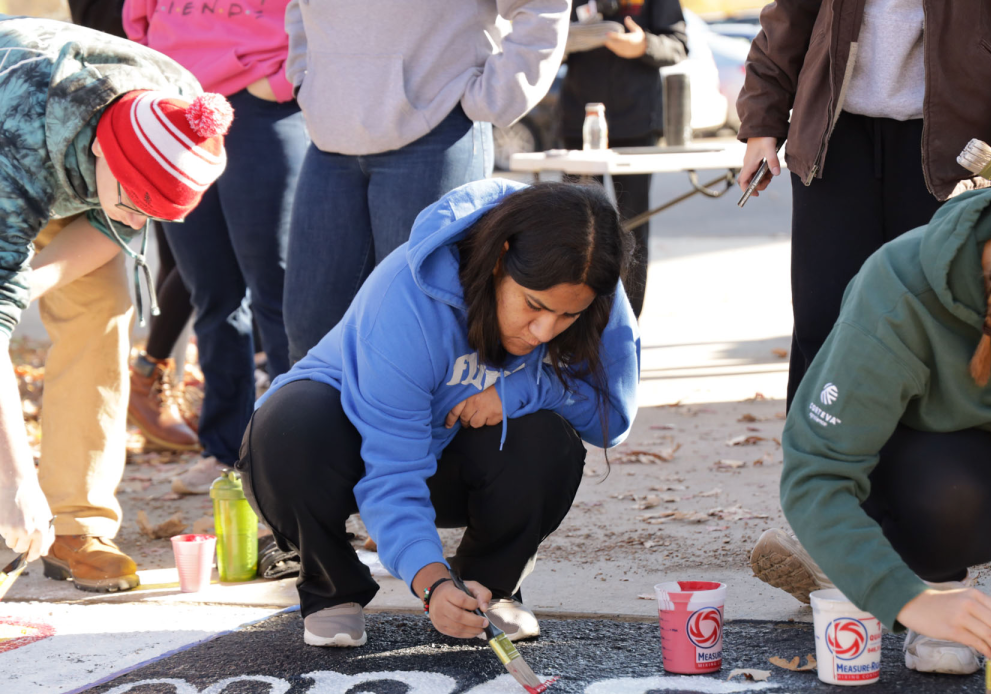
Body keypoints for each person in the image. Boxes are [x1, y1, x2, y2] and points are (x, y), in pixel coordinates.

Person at [237, 179, 639, 647]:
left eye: (568, 316)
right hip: (353, 450)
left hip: (453, 458)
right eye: (533, 304)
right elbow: (393, 470)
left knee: (548, 439)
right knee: (290, 428)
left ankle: (490, 589)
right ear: (499, 258)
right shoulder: (405, 298)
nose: (544, 331)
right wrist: (431, 584)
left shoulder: (591, 283)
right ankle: (332, 589)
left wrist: (521, 390)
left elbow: (614, 416)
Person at [0, 14, 231, 591]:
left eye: (152, 214)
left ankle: (76, 523)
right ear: (106, 157)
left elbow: (115, 227)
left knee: (102, 303)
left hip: (38, 153)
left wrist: (17, 289)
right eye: (133, 203)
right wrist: (12, 482)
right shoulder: (17, 143)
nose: (139, 221)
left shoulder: (179, 115)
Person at [774, 185, 991, 688]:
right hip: (938, 476)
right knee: (949, 489)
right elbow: (814, 474)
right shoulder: (896, 295)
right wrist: (906, 598)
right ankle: (940, 583)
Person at [736, 0, 991, 411]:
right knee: (825, 322)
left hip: (955, 139)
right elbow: (790, 13)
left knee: (938, 326)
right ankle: (820, 465)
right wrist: (762, 119)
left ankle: (928, 469)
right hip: (834, 133)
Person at [280, 0, 572, 363]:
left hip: (436, 132)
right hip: (330, 137)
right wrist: (305, 80)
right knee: (309, 334)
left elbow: (540, 6)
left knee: (420, 338)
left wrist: (499, 94)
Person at [124, 0, 307, 493]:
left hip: (264, 104)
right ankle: (225, 450)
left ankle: (300, 454)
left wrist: (285, 83)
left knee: (279, 288)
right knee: (212, 292)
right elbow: (136, 19)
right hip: (177, 110)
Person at [67, 0, 200, 454]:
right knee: (191, 253)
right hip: (120, 80)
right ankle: (151, 372)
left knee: (182, 239)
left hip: (182, 71)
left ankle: (157, 374)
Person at [559, 0, 688, 317]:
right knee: (575, 230)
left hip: (636, 124)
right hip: (580, 121)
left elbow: (678, 45)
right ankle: (575, 321)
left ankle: (627, 324)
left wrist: (643, 45)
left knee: (633, 230)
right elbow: (539, 36)